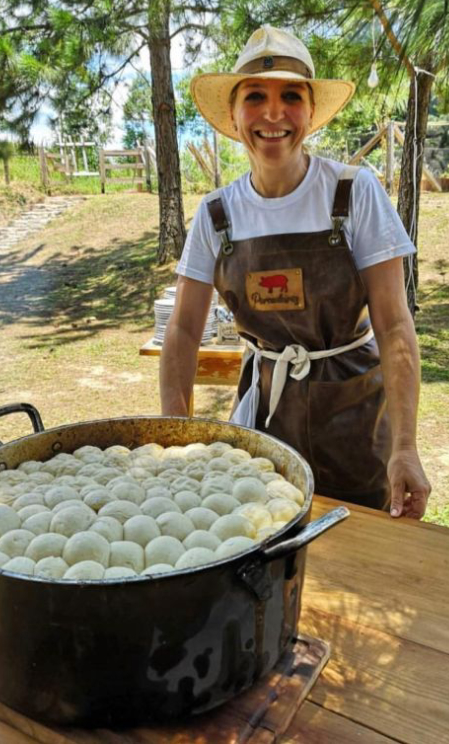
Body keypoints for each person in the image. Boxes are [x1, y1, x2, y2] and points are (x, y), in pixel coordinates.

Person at [160, 25, 431, 519]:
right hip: (267, 422)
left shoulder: (353, 194)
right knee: (265, 539)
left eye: (291, 95)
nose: (273, 112)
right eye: (255, 96)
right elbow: (181, 330)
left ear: (309, 112)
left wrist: (406, 447)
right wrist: (177, 438)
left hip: (357, 423)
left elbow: (394, 326)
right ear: (233, 114)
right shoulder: (216, 214)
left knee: (360, 554)